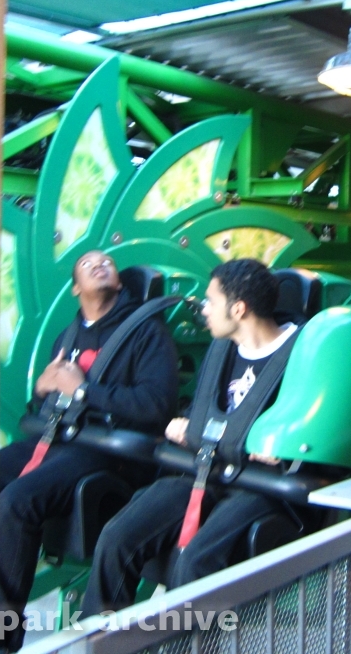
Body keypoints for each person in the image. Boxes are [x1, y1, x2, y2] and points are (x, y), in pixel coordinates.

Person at [80, 258, 300, 615]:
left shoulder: (300, 353)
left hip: (262, 486)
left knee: (194, 561)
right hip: (208, 470)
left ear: (239, 309)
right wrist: (185, 425)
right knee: (117, 536)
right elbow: (209, 413)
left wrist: (276, 449)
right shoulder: (222, 348)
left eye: (212, 302)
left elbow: (302, 435)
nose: (204, 309)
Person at [0, 250, 178, 651]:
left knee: (16, 501)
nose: (100, 262)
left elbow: (154, 406)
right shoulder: (68, 336)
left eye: (107, 262)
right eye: (88, 262)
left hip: (105, 452)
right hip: (58, 439)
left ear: (118, 282)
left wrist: (83, 390)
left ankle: (1, 640)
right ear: (77, 287)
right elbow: (43, 407)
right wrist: (44, 388)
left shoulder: (146, 333)